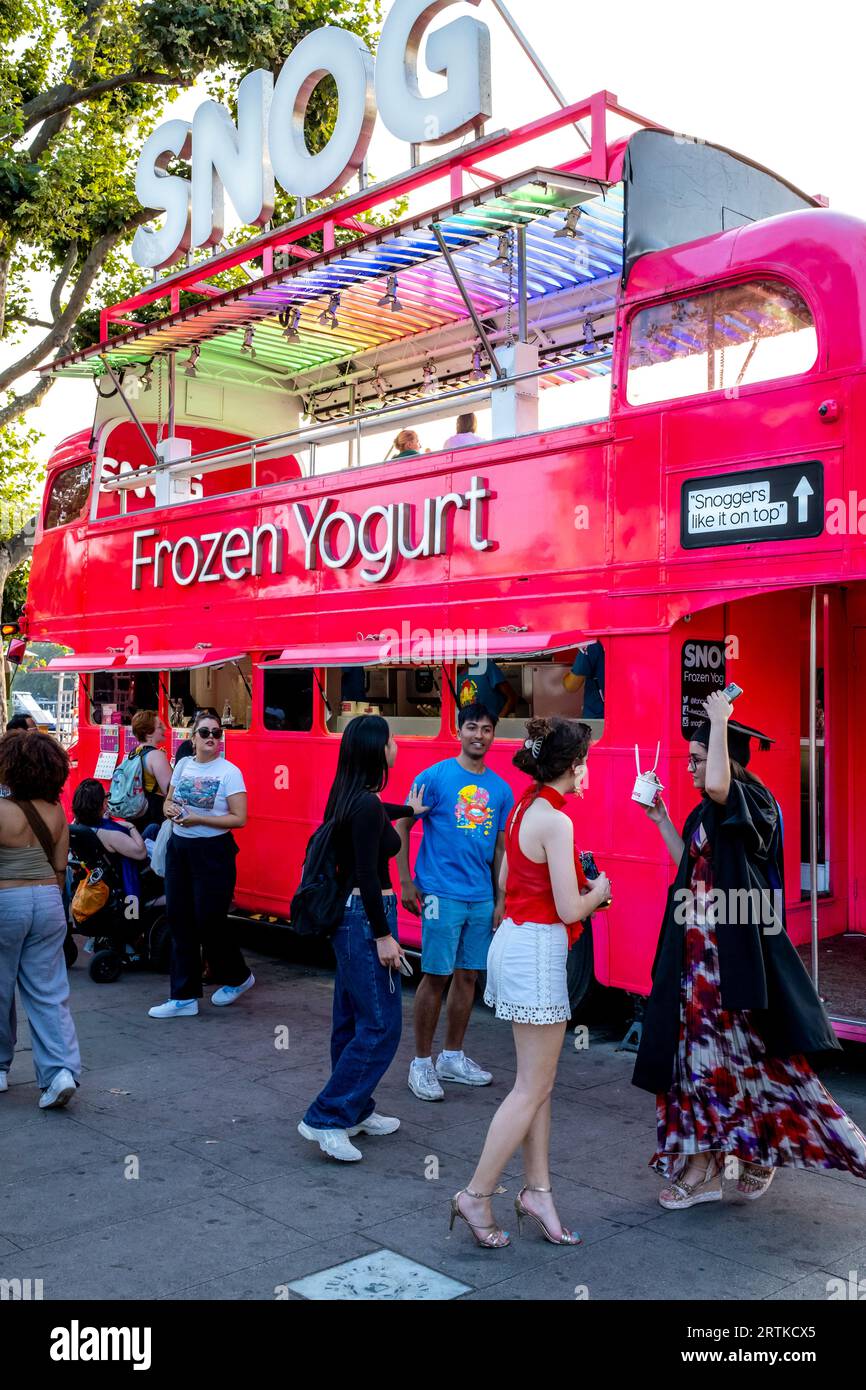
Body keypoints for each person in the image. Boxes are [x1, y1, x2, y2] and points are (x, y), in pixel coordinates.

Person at [636, 692, 866, 1209]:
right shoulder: (705, 810)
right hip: (697, 962)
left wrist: (719, 719)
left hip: (736, 960)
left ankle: (754, 1151)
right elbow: (690, 868)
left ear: (726, 757)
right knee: (700, 1062)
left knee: (753, 1059)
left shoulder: (753, 802)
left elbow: (719, 784)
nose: (692, 768)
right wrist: (660, 819)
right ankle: (710, 1162)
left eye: (698, 757)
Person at [450, 717, 611, 1247]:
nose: (588, 770)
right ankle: (476, 1194)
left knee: (536, 1084)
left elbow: (505, 879)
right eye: (584, 760)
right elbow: (570, 907)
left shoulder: (524, 805)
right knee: (530, 1088)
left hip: (514, 944)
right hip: (539, 952)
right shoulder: (558, 822)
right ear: (570, 766)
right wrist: (601, 891)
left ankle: (537, 1190)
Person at [299, 715, 423, 1162]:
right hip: (364, 918)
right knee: (381, 1025)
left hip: (347, 921)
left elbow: (374, 819)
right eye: (391, 740)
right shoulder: (365, 805)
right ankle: (327, 1117)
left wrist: (409, 811)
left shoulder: (350, 796)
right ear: (376, 750)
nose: (396, 746)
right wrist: (384, 936)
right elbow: (370, 877)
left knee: (350, 1021)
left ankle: (357, 1107)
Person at [399, 702, 514, 1100]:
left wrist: (501, 898)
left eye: (486, 729)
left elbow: (501, 848)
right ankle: (420, 1063)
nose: (479, 735)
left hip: (480, 898)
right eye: (471, 727)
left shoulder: (501, 789)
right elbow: (401, 822)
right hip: (440, 894)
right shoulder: (434, 778)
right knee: (436, 976)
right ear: (458, 731)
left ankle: (452, 1057)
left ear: (493, 735)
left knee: (468, 977)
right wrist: (406, 881)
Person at [147, 710, 251, 1018]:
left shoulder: (230, 772)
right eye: (204, 732)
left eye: (216, 733)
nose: (211, 738)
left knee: (210, 921)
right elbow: (169, 799)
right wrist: (169, 810)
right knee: (179, 918)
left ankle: (239, 977)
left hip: (213, 851)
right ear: (193, 737)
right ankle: (183, 996)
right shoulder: (182, 765)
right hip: (180, 848)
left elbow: (239, 818)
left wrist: (198, 818)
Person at [0, 730, 80, 1108]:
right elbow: (61, 868)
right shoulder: (57, 812)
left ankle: (0, 1069)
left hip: (6, 900)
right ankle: (60, 1072)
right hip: (48, 900)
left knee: (1, 990)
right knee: (49, 993)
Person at [128, 710, 172, 829]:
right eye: (159, 727)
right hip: (154, 814)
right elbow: (170, 792)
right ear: (148, 733)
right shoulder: (156, 755)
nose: (164, 729)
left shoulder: (134, 753)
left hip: (136, 813)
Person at [562, 640, 605, 719]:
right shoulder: (632, 639)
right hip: (629, 713)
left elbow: (571, 685)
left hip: (598, 718)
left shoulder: (593, 643)